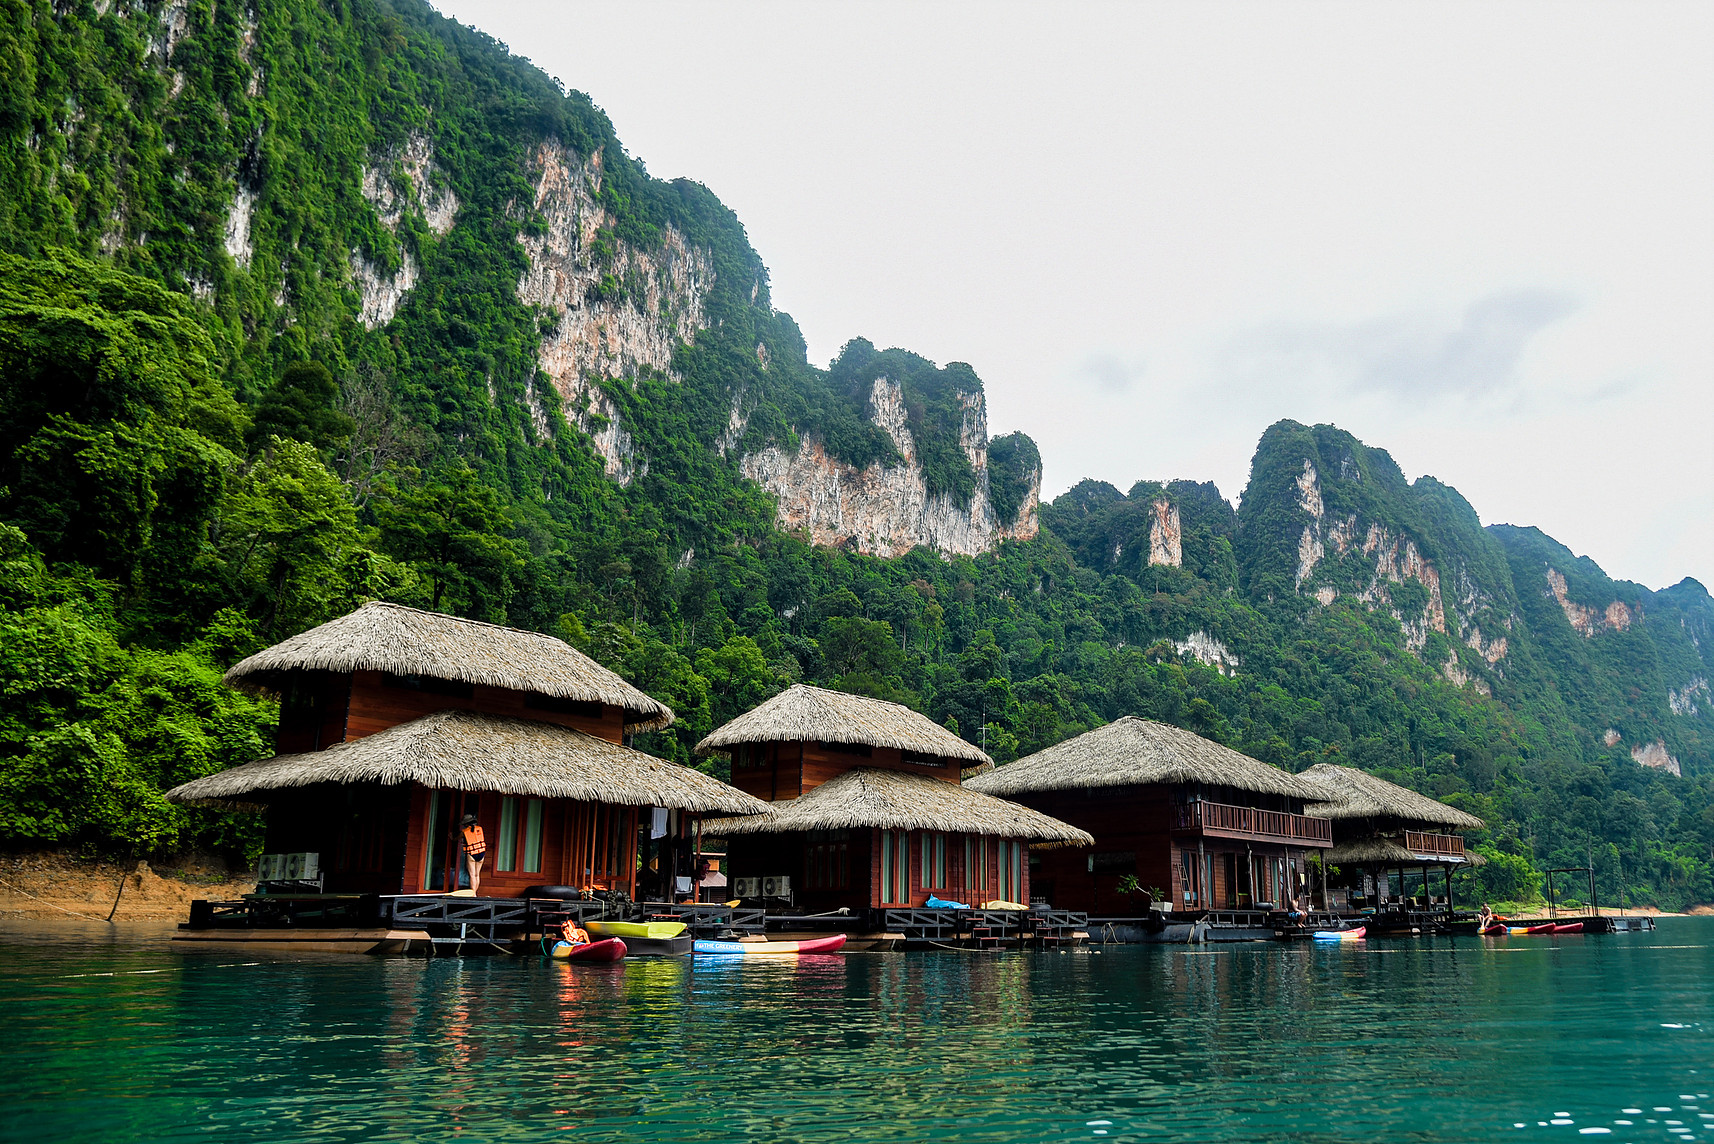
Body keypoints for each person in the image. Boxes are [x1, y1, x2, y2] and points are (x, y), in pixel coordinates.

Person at [459, 813, 486, 894]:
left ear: (465, 824)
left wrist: (451, 837)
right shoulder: (480, 828)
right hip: (481, 853)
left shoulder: (464, 832)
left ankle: (473, 894)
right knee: (477, 875)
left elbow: (455, 838)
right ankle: (475, 893)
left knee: (472, 875)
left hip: (472, 853)